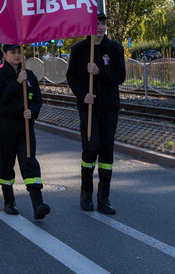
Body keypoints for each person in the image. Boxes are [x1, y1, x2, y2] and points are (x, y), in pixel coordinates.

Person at [67, 13, 126, 214]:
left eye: (103, 24)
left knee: (107, 151)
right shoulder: (79, 49)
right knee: (91, 148)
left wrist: (99, 71)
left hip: (109, 108)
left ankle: (104, 198)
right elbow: (72, 77)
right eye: (96, 23)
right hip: (89, 108)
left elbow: (120, 76)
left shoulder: (116, 49)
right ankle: (85, 194)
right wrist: (83, 95)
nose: (100, 27)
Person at [0, 44, 49, 220]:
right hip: (5, 126)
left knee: (29, 162)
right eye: (13, 52)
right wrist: (16, 83)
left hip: (25, 126)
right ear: (5, 54)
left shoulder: (29, 75)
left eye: (19, 52)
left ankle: (37, 203)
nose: (17, 55)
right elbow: (0, 99)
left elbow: (37, 99)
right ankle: (9, 201)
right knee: (6, 164)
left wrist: (33, 111)